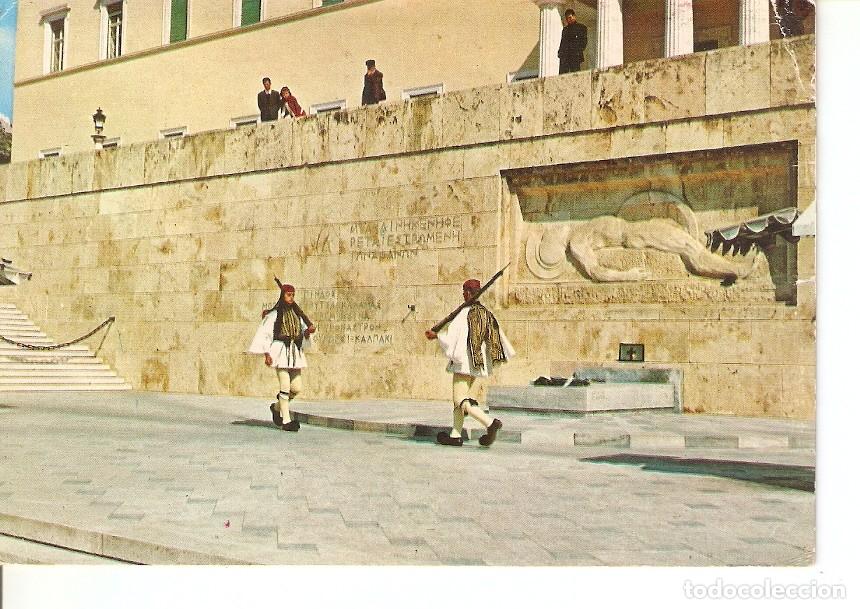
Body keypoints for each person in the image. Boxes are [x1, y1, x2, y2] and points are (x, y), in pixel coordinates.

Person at [425, 279, 514, 447]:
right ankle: (455, 435)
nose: (462, 294)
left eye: (464, 291)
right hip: (477, 363)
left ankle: (490, 423)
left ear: (468, 293)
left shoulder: (465, 313)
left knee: (459, 399)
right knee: (461, 399)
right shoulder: (485, 313)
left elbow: (452, 338)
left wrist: (436, 336)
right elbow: (496, 337)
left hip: (463, 362)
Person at [248, 284, 316, 432]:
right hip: (280, 351)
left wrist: (308, 332)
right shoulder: (275, 314)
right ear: (283, 296)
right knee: (284, 386)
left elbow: (303, 331)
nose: (291, 298)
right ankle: (286, 421)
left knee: (296, 388)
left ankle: (276, 407)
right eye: (288, 295)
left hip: (294, 353)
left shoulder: (297, 314)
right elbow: (265, 334)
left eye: (293, 295)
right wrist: (267, 353)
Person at [558, 9, 588, 74]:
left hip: (575, 54)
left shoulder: (581, 27)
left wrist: (578, 50)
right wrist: (560, 52)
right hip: (565, 55)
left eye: (570, 17)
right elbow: (563, 42)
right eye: (567, 18)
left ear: (574, 16)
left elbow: (584, 41)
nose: (569, 19)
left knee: (575, 72)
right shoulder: (565, 30)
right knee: (562, 74)